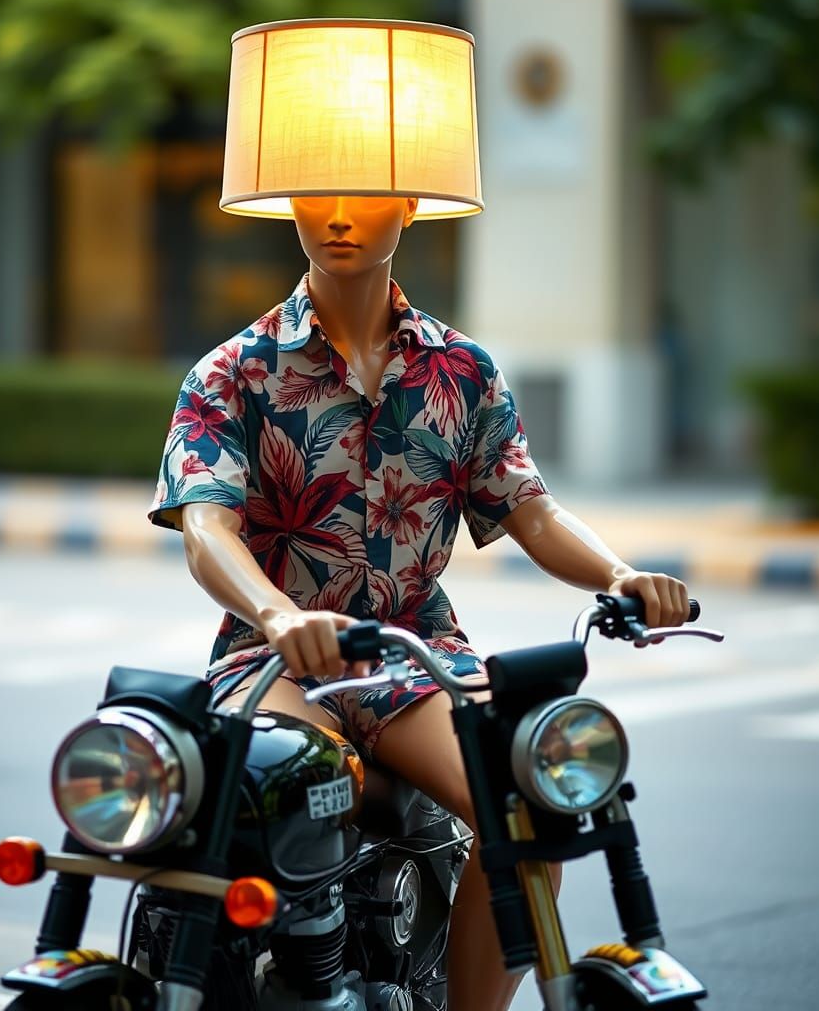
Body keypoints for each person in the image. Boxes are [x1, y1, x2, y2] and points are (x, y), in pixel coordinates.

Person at [148, 193, 691, 1010]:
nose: (338, 217)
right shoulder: (233, 371)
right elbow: (206, 529)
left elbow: (531, 508)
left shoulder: (462, 370)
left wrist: (619, 576)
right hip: (276, 662)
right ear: (289, 204)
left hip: (416, 658)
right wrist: (279, 616)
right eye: (316, 196)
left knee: (531, 800)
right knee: (287, 788)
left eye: (364, 197)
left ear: (408, 206)